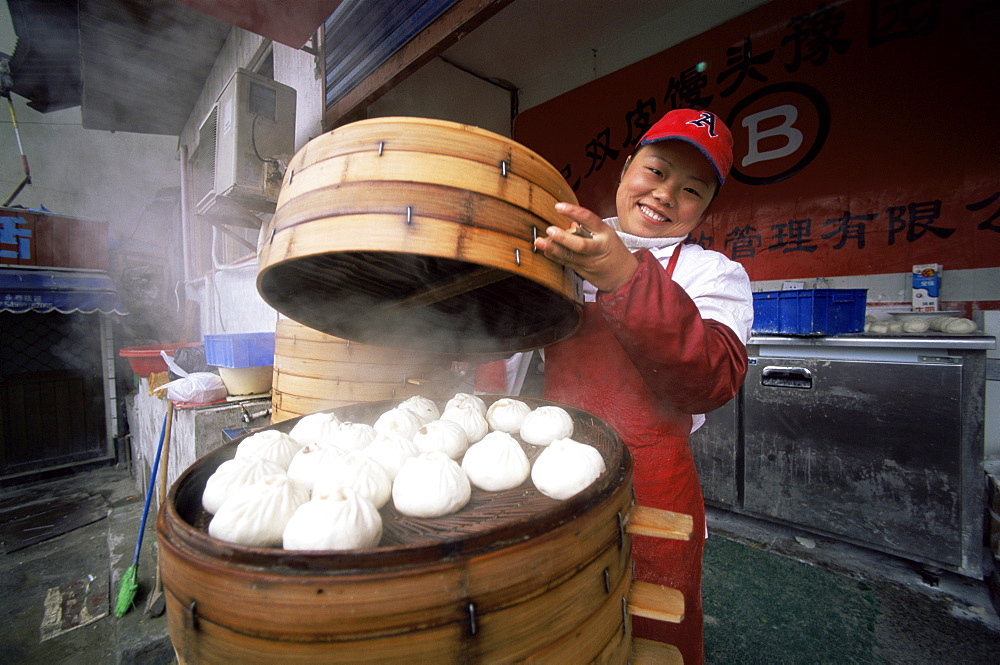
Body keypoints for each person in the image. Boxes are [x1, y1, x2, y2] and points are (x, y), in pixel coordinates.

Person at [531, 108, 754, 664]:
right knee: (564, 619)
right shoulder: (559, 252)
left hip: (655, 485)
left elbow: (713, 378)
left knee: (656, 628)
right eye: (655, 171)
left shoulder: (714, 275)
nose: (665, 195)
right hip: (552, 472)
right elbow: (506, 355)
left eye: (691, 190)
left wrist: (622, 276)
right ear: (628, 165)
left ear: (704, 209)